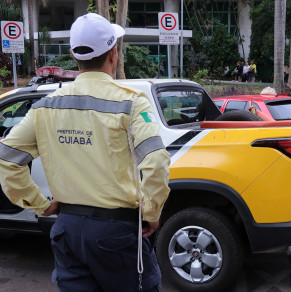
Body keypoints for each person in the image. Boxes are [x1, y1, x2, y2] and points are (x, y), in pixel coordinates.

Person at [0, 13, 170, 292]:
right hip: (117, 231)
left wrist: (39, 204)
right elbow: (156, 160)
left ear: (73, 56)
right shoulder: (131, 103)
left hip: (68, 230)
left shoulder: (45, 106)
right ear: (113, 53)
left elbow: (6, 156)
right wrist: (152, 211)